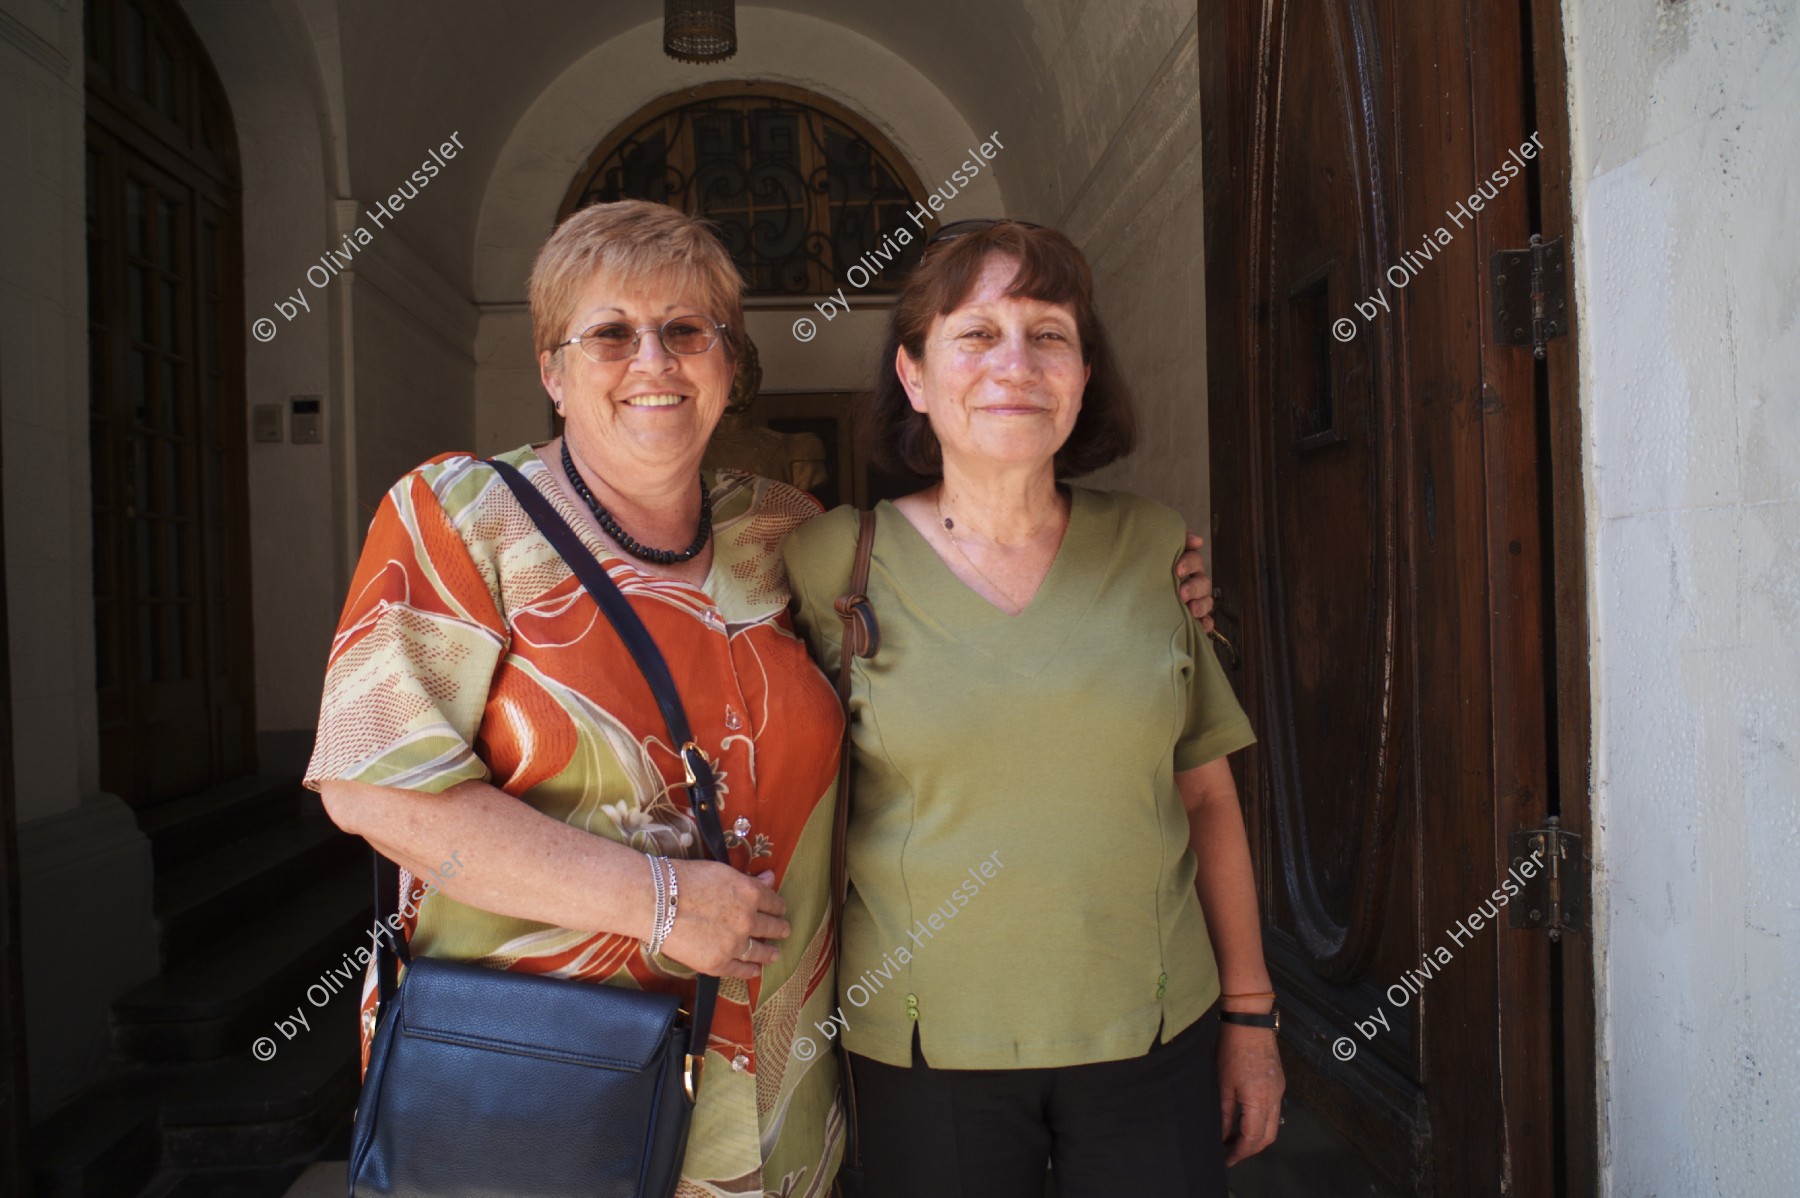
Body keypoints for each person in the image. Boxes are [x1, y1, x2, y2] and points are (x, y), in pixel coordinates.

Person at [306, 201, 846, 1195]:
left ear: (728, 363)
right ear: (553, 372)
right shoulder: (461, 516)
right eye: (609, 333)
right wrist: (660, 901)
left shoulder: (786, 529)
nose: (656, 360)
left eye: (688, 330)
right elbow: (371, 790)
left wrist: (1154, 591)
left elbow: (940, 628)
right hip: (543, 1083)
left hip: (772, 1086)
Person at [780, 219, 1284, 1197]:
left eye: (1048, 333)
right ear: (915, 376)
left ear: (1083, 375)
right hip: (925, 1047)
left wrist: (1252, 1018)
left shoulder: (1152, 549)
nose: (1016, 363)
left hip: (1154, 1030)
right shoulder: (833, 562)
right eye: (975, 334)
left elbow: (1210, 800)